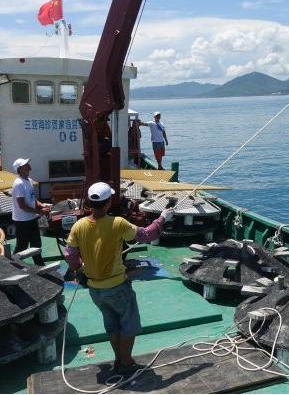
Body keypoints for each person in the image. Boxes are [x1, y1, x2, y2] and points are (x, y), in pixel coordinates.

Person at [64, 182, 174, 375]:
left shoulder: (78, 225)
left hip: (95, 290)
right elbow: (147, 234)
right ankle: (127, 362)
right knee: (128, 325)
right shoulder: (117, 223)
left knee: (112, 325)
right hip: (117, 286)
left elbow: (70, 255)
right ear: (108, 203)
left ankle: (118, 360)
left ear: (90, 202)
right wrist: (163, 218)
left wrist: (79, 268)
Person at [11, 158, 50, 266]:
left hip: (32, 218)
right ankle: (14, 267)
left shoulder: (29, 180)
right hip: (22, 221)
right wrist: (41, 212)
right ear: (20, 169)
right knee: (21, 247)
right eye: (25, 164)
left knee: (36, 245)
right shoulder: (18, 184)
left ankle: (40, 266)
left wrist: (42, 205)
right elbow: (22, 205)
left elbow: (32, 198)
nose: (28, 165)